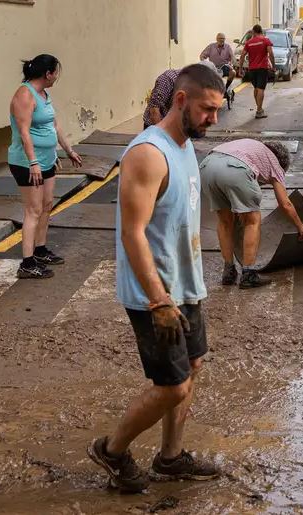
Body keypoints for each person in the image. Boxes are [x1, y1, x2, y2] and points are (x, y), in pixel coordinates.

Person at [87, 64, 226, 493]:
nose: (213, 120)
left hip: (185, 285)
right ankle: (111, 450)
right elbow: (132, 232)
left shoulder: (185, 145)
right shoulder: (148, 153)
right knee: (173, 385)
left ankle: (170, 459)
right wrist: (159, 300)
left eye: (218, 110)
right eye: (207, 109)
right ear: (181, 100)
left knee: (193, 366)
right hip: (155, 293)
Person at [7, 54, 81, 279]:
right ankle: (27, 264)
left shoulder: (43, 95)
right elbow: (24, 132)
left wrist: (68, 151)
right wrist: (33, 162)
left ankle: (40, 250)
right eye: (55, 72)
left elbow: (54, 126)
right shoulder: (24, 95)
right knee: (33, 210)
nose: (57, 77)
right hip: (27, 162)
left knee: (47, 205)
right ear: (47, 74)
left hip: (46, 160)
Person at [200, 139, 303, 288]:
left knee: (225, 222)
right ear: (281, 162)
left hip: (207, 167)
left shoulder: (251, 146)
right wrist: (300, 226)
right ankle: (248, 274)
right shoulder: (274, 163)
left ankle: (229, 272)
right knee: (252, 221)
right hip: (235, 170)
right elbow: (285, 204)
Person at [238, 24, 275, 119]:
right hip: (262, 68)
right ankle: (259, 111)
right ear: (261, 31)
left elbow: (242, 56)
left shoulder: (249, 42)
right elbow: (270, 53)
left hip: (252, 69)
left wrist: (240, 68)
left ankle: (259, 108)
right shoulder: (266, 40)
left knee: (256, 88)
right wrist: (273, 66)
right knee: (261, 89)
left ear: (254, 32)